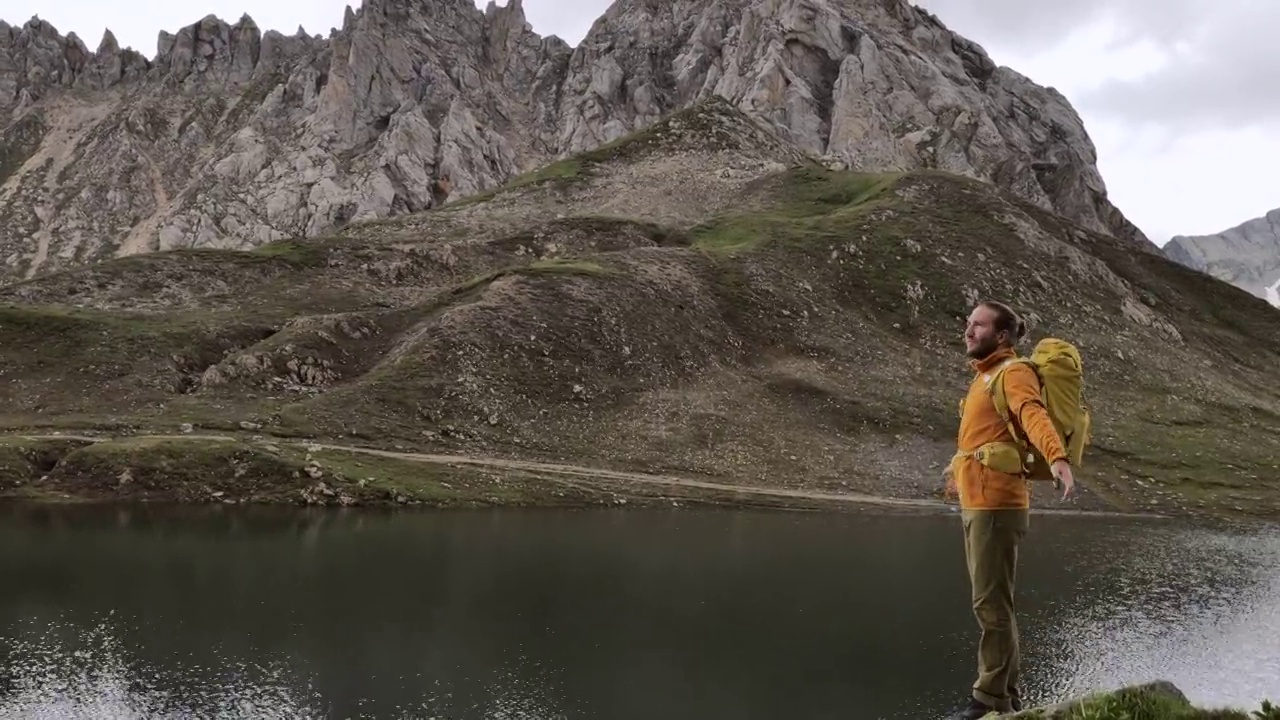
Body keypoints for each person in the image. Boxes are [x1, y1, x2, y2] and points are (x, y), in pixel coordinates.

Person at [944, 301, 1076, 719]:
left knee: (990, 605)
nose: (968, 330)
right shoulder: (984, 376)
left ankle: (986, 699)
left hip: (997, 504)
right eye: (968, 323)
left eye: (977, 325)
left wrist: (1057, 457)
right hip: (979, 501)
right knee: (994, 602)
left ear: (1001, 336)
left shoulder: (1012, 372)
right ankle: (1007, 698)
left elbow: (1031, 413)